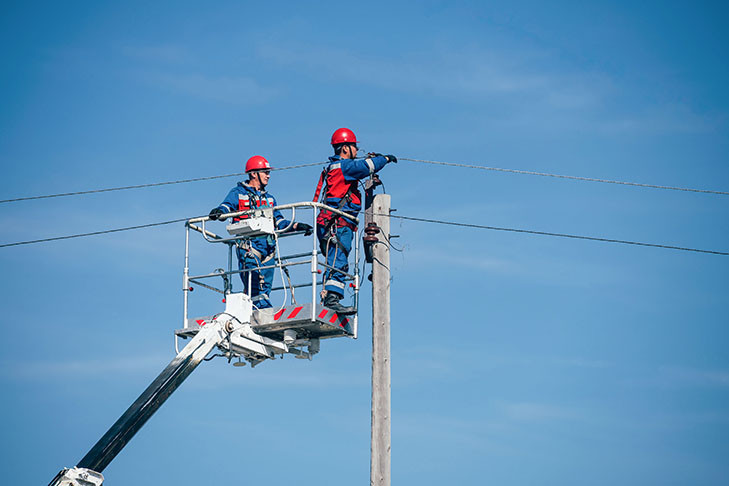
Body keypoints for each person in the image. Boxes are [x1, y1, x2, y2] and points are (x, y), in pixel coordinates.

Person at [209, 155, 312, 309]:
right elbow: (227, 206)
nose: (268, 176)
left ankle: (262, 308)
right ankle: (262, 310)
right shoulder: (238, 193)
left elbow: (279, 222)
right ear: (253, 173)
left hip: (268, 250)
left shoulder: (270, 199)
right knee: (254, 285)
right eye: (265, 172)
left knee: (265, 290)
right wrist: (219, 212)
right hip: (249, 248)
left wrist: (296, 226)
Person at [313, 128, 396, 314]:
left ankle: (330, 295)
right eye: (354, 147)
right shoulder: (345, 167)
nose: (357, 150)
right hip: (338, 223)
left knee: (335, 260)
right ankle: (331, 298)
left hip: (330, 222)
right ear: (345, 148)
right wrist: (385, 159)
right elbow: (366, 167)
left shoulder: (334, 168)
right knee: (339, 258)